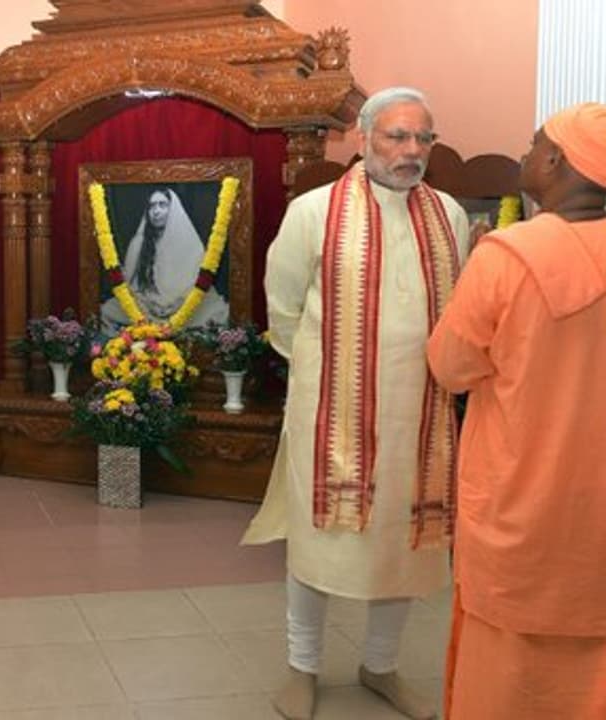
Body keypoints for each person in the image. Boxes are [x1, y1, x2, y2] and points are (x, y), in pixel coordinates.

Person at [241, 87, 472, 720]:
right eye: (398, 136)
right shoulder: (315, 210)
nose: (412, 151)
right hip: (331, 411)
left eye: (424, 138)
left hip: (419, 415)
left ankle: (382, 666)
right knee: (322, 542)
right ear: (364, 138)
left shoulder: (448, 213)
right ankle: (302, 667)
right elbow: (282, 305)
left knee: (405, 542)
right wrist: (328, 372)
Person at [426, 103, 606, 720]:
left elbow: (451, 368)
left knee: (505, 671)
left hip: (523, 506)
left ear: (556, 160)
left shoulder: (508, 256)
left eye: (533, 144)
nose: (526, 154)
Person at [99, 186, 229, 333]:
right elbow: (131, 285)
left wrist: (175, 304)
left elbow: (195, 284)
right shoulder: (138, 243)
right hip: (146, 308)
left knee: (220, 312)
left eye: (162, 205)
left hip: (182, 304)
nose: (156, 211)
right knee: (107, 311)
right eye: (152, 206)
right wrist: (148, 303)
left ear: (173, 209)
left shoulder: (189, 242)